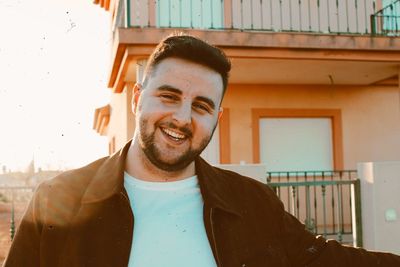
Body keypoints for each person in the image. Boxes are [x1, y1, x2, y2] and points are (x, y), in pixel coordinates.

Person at [4, 33, 400, 267]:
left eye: (201, 105)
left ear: (217, 118)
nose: (182, 118)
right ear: (137, 98)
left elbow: (324, 260)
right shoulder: (59, 202)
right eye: (168, 96)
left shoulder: (251, 202)